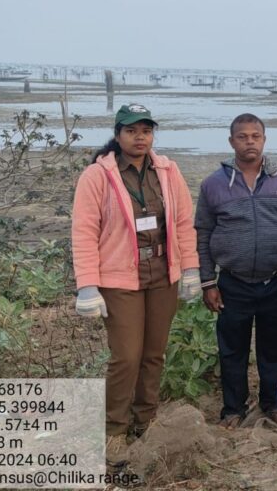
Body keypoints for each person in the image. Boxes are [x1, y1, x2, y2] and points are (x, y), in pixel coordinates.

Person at [71, 104, 201, 469]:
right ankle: (114, 430)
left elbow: (183, 223)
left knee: (153, 354)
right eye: (131, 131)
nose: (140, 137)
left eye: (146, 131)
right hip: (120, 278)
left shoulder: (168, 171)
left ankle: (146, 420)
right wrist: (87, 286)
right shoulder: (97, 176)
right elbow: (84, 232)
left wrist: (190, 269)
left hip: (162, 275)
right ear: (118, 135)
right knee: (126, 357)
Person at [195, 113, 277, 429]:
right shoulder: (214, 185)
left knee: (274, 349)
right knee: (232, 350)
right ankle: (233, 408)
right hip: (233, 282)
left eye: (255, 136)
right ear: (232, 141)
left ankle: (273, 402)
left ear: (264, 140)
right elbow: (203, 233)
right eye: (242, 136)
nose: (250, 142)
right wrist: (208, 282)